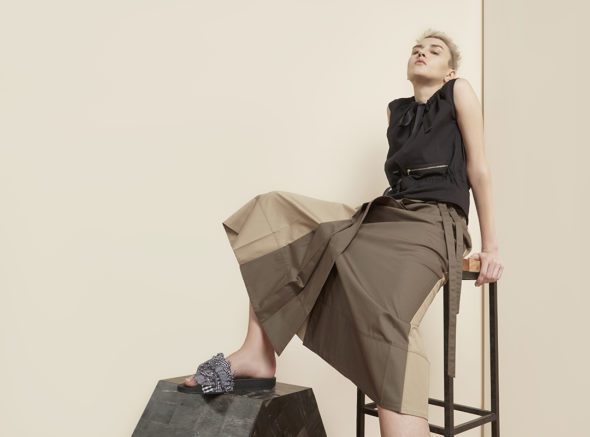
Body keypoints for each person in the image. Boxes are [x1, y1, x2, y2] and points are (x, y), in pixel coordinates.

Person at [179, 29, 504, 437]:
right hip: (388, 215)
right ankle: (257, 351)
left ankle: (402, 407)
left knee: (389, 317)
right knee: (276, 212)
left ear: (449, 71)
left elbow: (478, 169)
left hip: (436, 223)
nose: (422, 52)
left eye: (434, 50)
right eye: (417, 49)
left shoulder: (459, 91)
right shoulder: (396, 113)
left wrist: (491, 246)